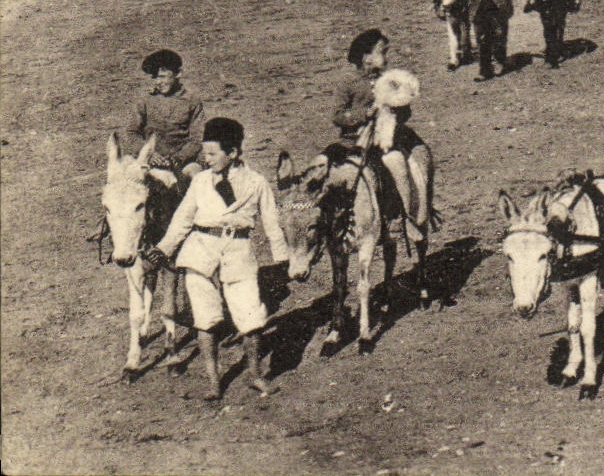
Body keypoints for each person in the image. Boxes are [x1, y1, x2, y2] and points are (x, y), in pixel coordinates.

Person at [146, 117, 288, 400]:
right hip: (200, 253)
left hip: (238, 252)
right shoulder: (199, 181)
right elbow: (182, 220)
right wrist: (163, 249)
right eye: (204, 153)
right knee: (206, 318)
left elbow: (272, 223)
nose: (206, 159)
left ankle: (255, 375)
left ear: (233, 153)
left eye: (212, 154)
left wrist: (284, 258)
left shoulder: (256, 183)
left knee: (251, 316)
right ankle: (213, 381)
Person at [318, 29, 428, 239]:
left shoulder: (389, 80)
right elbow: (337, 115)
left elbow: (405, 112)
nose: (386, 58)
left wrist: (396, 109)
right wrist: (363, 114)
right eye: (382, 52)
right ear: (366, 57)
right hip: (353, 141)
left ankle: (403, 218)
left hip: (383, 141)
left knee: (398, 165)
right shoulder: (348, 82)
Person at [121, 49, 206, 185]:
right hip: (149, 161)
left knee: (198, 180)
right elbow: (131, 133)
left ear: (178, 74)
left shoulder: (192, 101)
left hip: (182, 163)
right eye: (154, 78)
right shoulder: (145, 100)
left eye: (162, 76)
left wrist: (178, 158)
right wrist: (149, 154)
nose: (158, 82)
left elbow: (198, 138)